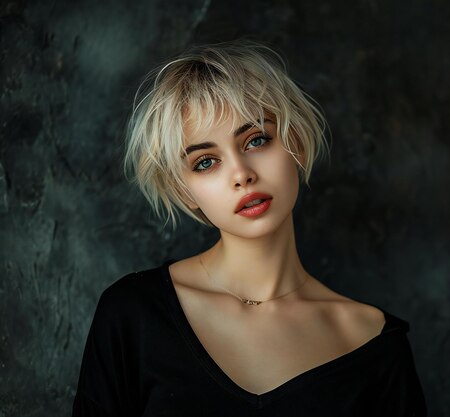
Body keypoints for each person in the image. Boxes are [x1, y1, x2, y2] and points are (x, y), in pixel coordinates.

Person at [72, 40, 427, 416]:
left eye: (256, 140)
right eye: (206, 162)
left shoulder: (373, 342)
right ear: (184, 189)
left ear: (296, 144)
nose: (242, 174)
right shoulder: (133, 314)